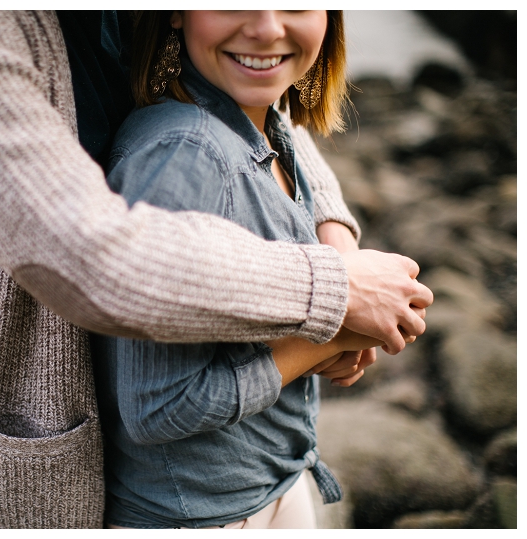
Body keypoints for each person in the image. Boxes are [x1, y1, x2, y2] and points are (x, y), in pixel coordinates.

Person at [0, 11, 433, 528]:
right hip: (32, 444)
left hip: (236, 469)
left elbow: (260, 100)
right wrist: (332, 297)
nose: (265, 23)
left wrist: (335, 242)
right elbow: (89, 259)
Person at [92, 10, 394, 529]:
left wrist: (339, 270)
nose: (267, 27)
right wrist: (330, 335)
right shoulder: (185, 156)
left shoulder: (264, 122)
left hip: (271, 483)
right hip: (196, 517)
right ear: (174, 13)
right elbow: (158, 407)